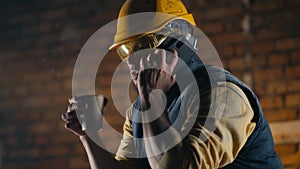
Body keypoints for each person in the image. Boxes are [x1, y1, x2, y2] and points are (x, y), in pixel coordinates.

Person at [61, 0, 284, 168]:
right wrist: (88, 134)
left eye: (143, 45)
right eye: (125, 50)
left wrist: (151, 101)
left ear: (178, 43)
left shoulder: (222, 95)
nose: (130, 60)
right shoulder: (139, 111)